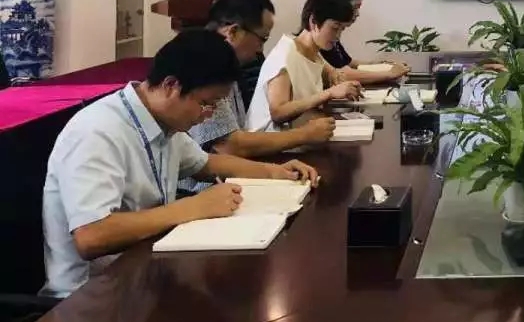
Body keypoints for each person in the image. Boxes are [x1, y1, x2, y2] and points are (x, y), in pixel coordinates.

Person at [40, 30, 319, 298]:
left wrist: (275, 172)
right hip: (89, 299)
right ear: (171, 85)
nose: (208, 115)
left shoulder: (163, 123)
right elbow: (91, 236)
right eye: (206, 103)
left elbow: (207, 163)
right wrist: (193, 208)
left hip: (143, 279)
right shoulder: (98, 132)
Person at [188, 0, 335, 159]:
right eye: (263, 38)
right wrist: (305, 135)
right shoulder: (205, 64)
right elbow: (229, 146)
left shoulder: (226, 64)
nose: (260, 50)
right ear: (233, 32)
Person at [246, 0, 361, 133]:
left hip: (301, 134)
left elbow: (322, 68)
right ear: (313, 22)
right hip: (270, 139)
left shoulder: (312, 52)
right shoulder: (284, 56)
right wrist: (329, 93)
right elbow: (278, 112)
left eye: (342, 29)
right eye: (335, 28)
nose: (338, 36)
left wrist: (335, 76)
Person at [321, 0, 408, 84]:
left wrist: (380, 65)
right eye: (355, 7)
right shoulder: (322, 35)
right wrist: (389, 73)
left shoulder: (332, 34)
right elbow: (342, 75)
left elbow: (348, 63)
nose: (358, 14)